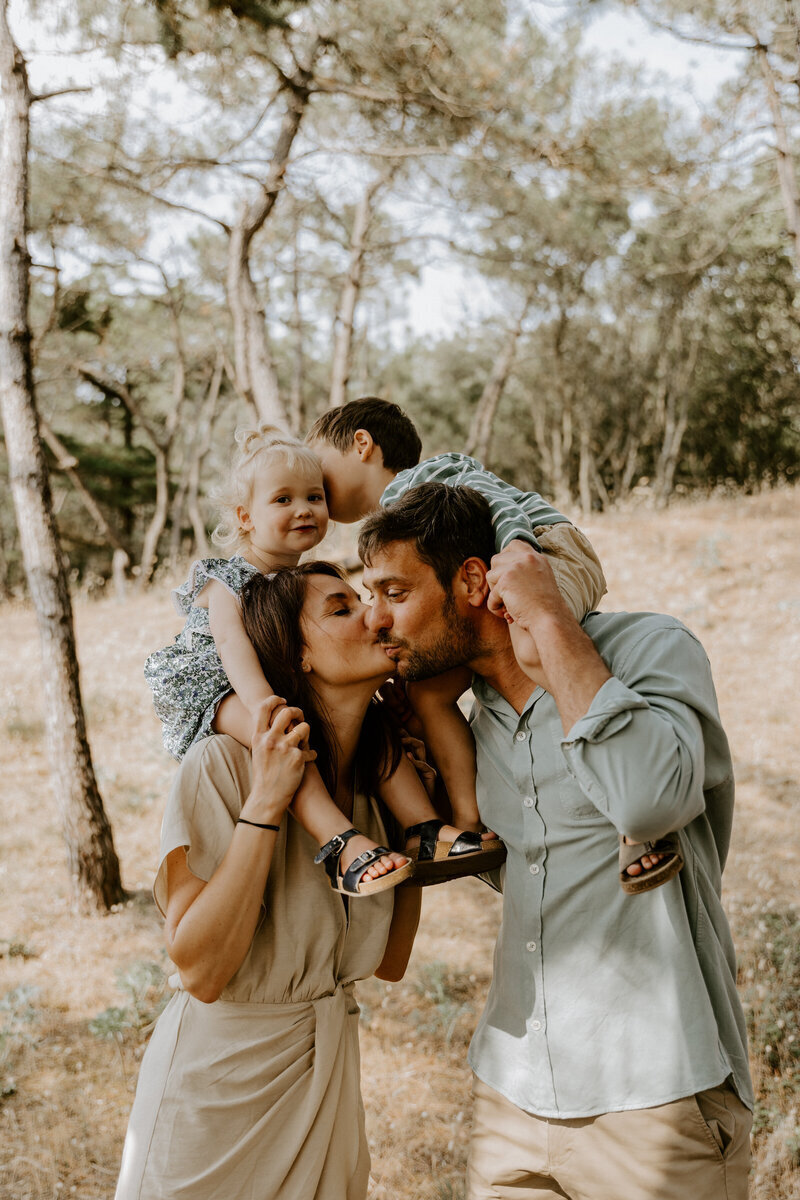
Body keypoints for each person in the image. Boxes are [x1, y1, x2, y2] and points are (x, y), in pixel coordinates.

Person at [357, 483, 754, 1200]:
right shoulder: (467, 725)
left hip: (658, 1099)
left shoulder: (648, 648)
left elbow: (647, 798)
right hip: (512, 1092)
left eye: (393, 591)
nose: (373, 617)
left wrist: (543, 613)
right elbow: (521, 871)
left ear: (474, 581)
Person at [117, 562, 429, 1200]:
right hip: (219, 1092)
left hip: (329, 1077)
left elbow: (390, 962)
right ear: (298, 656)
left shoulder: (378, 784)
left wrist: (415, 838)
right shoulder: (220, 764)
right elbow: (201, 971)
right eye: (341, 609)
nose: (374, 614)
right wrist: (264, 807)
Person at [307, 398, 679, 894]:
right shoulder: (407, 521)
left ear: (361, 445)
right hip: (512, 567)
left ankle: (638, 818)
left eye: (318, 467)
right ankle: (469, 824)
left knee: (536, 649)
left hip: (548, 551)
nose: (315, 486)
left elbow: (500, 504)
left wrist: (521, 555)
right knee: (430, 695)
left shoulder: (433, 477)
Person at [144, 425, 503, 895]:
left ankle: (424, 829)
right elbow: (230, 648)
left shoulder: (298, 580)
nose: (303, 509)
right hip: (213, 689)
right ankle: (340, 843)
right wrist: (263, 705)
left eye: (314, 497)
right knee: (282, 739)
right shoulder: (227, 578)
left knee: (379, 730)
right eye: (282, 500)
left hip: (272, 681)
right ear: (244, 517)